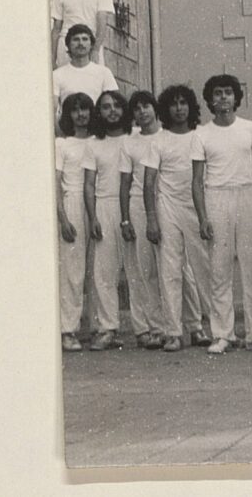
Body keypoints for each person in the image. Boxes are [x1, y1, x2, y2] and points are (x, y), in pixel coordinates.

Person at [191, 74, 252, 355]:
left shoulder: (251, 129)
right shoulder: (201, 134)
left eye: (228, 92)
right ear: (210, 100)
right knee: (219, 270)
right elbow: (196, 181)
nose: (223, 97)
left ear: (236, 97)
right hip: (216, 198)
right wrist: (203, 217)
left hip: (246, 196)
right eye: (218, 93)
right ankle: (223, 334)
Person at [143, 85, 211, 352]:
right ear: (166, 109)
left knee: (202, 268)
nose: (179, 108)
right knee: (170, 269)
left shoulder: (201, 135)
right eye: (174, 103)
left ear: (191, 106)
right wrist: (152, 219)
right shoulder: (159, 140)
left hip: (198, 208)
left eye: (184, 103)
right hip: (168, 207)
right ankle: (173, 332)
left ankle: (206, 328)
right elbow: (149, 182)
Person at [82, 90, 132, 351]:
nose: (112, 111)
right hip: (104, 206)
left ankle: (150, 328)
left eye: (116, 105)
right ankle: (107, 329)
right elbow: (89, 184)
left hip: (133, 206)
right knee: (104, 272)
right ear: (99, 113)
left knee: (140, 270)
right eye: (105, 107)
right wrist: (93, 218)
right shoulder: (93, 144)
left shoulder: (135, 137)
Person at [118, 90, 167, 350]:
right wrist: (125, 219)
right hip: (138, 204)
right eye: (137, 109)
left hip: (168, 202)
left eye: (146, 106)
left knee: (174, 268)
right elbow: (125, 183)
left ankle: (186, 325)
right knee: (142, 269)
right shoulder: (129, 142)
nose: (142, 112)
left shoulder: (168, 136)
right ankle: (149, 328)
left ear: (155, 108)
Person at [55, 92, 94, 351]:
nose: (81, 115)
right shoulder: (62, 144)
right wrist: (63, 218)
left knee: (96, 270)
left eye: (85, 109)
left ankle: (97, 326)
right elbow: (56, 183)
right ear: (68, 115)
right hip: (73, 203)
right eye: (75, 110)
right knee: (72, 269)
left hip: (95, 203)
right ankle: (67, 330)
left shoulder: (97, 141)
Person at [52, 24, 118, 125]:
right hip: (69, 128)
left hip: (97, 127)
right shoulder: (57, 75)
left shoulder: (104, 73)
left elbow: (115, 104)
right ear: (68, 45)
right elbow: (53, 109)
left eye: (85, 39)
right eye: (76, 39)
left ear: (91, 44)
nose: (80, 43)